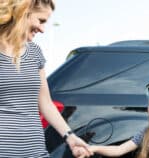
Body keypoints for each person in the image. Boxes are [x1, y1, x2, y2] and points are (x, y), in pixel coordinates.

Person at [0, 0, 92, 157]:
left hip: (35, 151)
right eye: (41, 20)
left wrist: (70, 137)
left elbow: (46, 103)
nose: (42, 29)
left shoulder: (35, 52)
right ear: (22, 12)